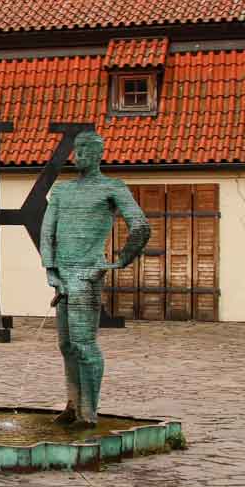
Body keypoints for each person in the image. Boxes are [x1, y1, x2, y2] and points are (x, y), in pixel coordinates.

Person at [39, 131, 150, 426]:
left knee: (84, 344)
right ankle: (73, 404)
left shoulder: (111, 188)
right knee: (66, 345)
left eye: (86, 150)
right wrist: (51, 270)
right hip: (63, 275)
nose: (79, 156)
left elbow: (140, 226)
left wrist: (119, 262)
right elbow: (47, 231)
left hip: (87, 275)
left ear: (100, 154)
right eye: (77, 150)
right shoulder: (62, 191)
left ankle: (89, 412)